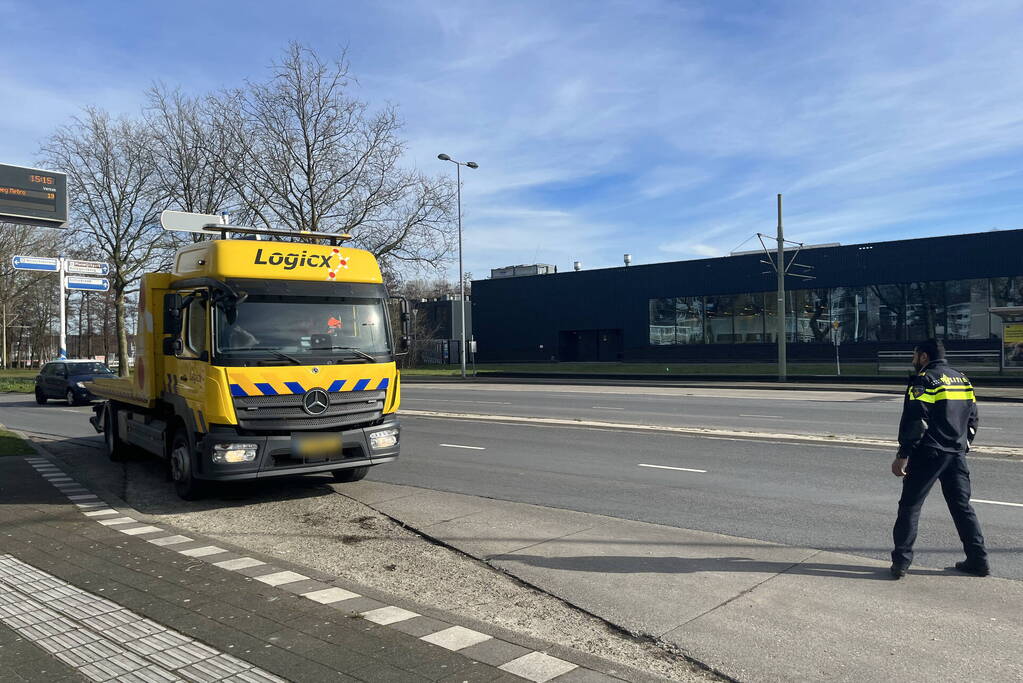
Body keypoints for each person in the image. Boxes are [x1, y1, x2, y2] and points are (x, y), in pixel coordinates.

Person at [889, 339, 989, 579]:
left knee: (910, 507)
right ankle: (978, 561)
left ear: (924, 357)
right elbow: (972, 417)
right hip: (955, 454)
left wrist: (903, 454)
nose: (913, 361)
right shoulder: (961, 378)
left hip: (929, 453)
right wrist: (963, 446)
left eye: (914, 356)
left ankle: (901, 562)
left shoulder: (925, 379)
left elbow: (916, 420)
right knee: (962, 507)